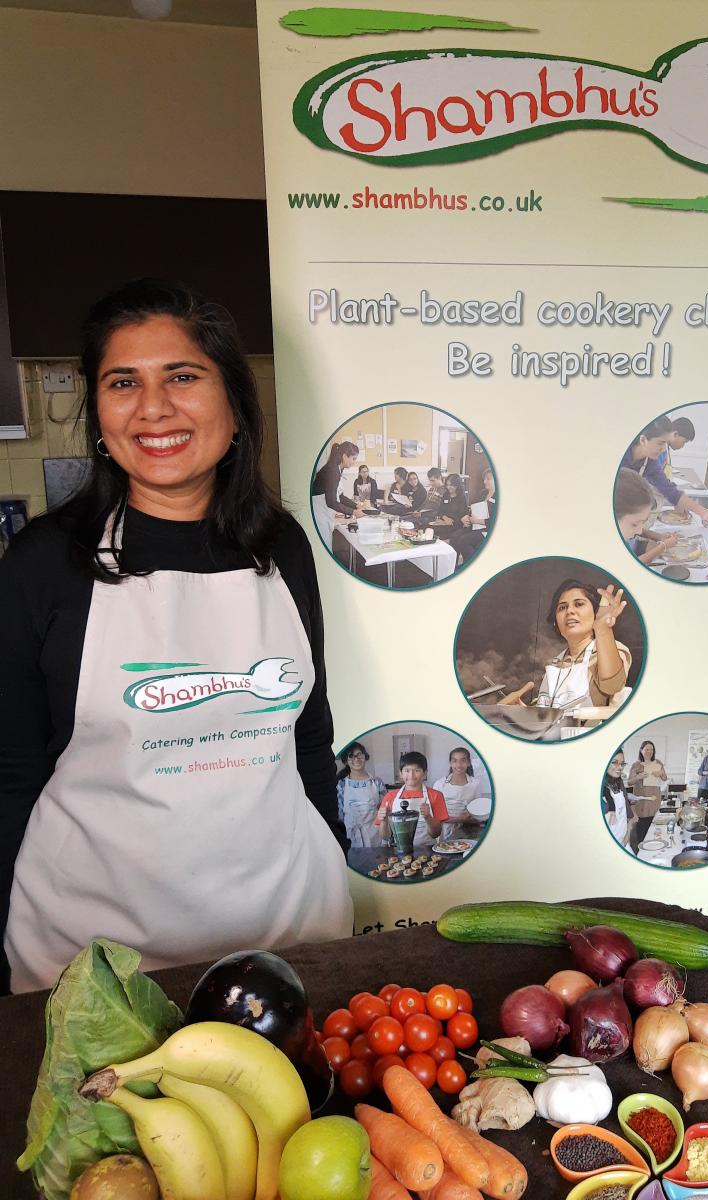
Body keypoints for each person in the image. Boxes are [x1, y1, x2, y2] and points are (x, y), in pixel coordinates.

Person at [0, 279, 353, 994]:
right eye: (123, 382)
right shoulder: (44, 564)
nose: (153, 408)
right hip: (95, 958)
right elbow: (11, 774)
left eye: (183, 377)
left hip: (286, 928)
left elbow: (307, 734)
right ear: (99, 416)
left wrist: (335, 858)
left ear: (232, 403)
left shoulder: (281, 546)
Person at [499, 579, 632, 722]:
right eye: (562, 608)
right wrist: (520, 711)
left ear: (595, 613)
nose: (569, 611)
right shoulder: (556, 662)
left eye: (579, 604)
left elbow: (612, 685)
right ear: (556, 621)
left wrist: (603, 629)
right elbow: (546, 721)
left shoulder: (611, 649)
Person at [619, 416, 708, 519]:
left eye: (665, 443)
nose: (663, 449)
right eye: (660, 443)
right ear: (643, 440)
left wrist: (704, 513)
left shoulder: (650, 463)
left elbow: (670, 491)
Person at [375, 752, 449, 849]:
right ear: (400, 773)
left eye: (417, 770)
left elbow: (435, 834)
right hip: (398, 851)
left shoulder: (436, 795)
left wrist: (428, 817)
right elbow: (385, 836)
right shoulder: (390, 796)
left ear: (425, 773)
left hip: (427, 850)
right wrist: (384, 820)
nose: (411, 775)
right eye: (407, 770)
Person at [614, 468, 679, 565]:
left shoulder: (624, 529)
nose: (640, 530)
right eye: (634, 524)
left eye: (643, 521)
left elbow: (640, 531)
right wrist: (662, 547)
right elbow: (629, 565)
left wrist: (658, 536)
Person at [336, 741, 387, 849]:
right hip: (352, 838)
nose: (356, 759)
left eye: (359, 754)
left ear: (365, 757)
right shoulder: (341, 785)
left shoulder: (377, 782)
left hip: (375, 836)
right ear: (346, 761)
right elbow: (339, 816)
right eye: (351, 756)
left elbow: (385, 811)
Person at [312, 440, 365, 534]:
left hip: (325, 512)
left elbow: (340, 496)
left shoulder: (338, 469)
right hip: (319, 513)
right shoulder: (332, 470)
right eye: (353, 459)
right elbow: (331, 502)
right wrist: (353, 512)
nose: (354, 462)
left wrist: (356, 506)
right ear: (345, 456)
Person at [448, 467, 496, 564]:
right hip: (475, 525)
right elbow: (473, 508)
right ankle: (453, 566)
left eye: (488, 479)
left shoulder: (499, 497)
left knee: (464, 540)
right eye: (484, 479)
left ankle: (470, 566)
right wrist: (466, 517)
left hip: (487, 529)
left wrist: (477, 521)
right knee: (454, 536)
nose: (485, 481)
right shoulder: (482, 493)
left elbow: (495, 521)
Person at [628, 740, 667, 852]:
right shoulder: (636, 765)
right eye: (646, 749)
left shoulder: (658, 762)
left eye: (651, 749)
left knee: (654, 823)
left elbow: (664, 778)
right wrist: (638, 777)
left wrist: (661, 774)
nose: (649, 751)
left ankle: (654, 847)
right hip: (642, 799)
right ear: (641, 751)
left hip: (654, 797)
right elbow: (629, 782)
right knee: (642, 825)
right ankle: (642, 849)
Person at [432, 746, 480, 837]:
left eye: (463, 760)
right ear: (450, 763)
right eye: (454, 761)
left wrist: (471, 818)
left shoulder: (475, 784)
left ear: (469, 763)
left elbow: (477, 811)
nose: (458, 765)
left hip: (466, 831)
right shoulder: (439, 784)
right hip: (442, 832)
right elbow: (435, 815)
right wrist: (460, 819)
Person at [602, 749, 634, 851]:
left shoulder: (616, 783)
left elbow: (623, 815)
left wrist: (628, 832)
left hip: (623, 842)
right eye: (614, 763)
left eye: (622, 763)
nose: (620, 767)